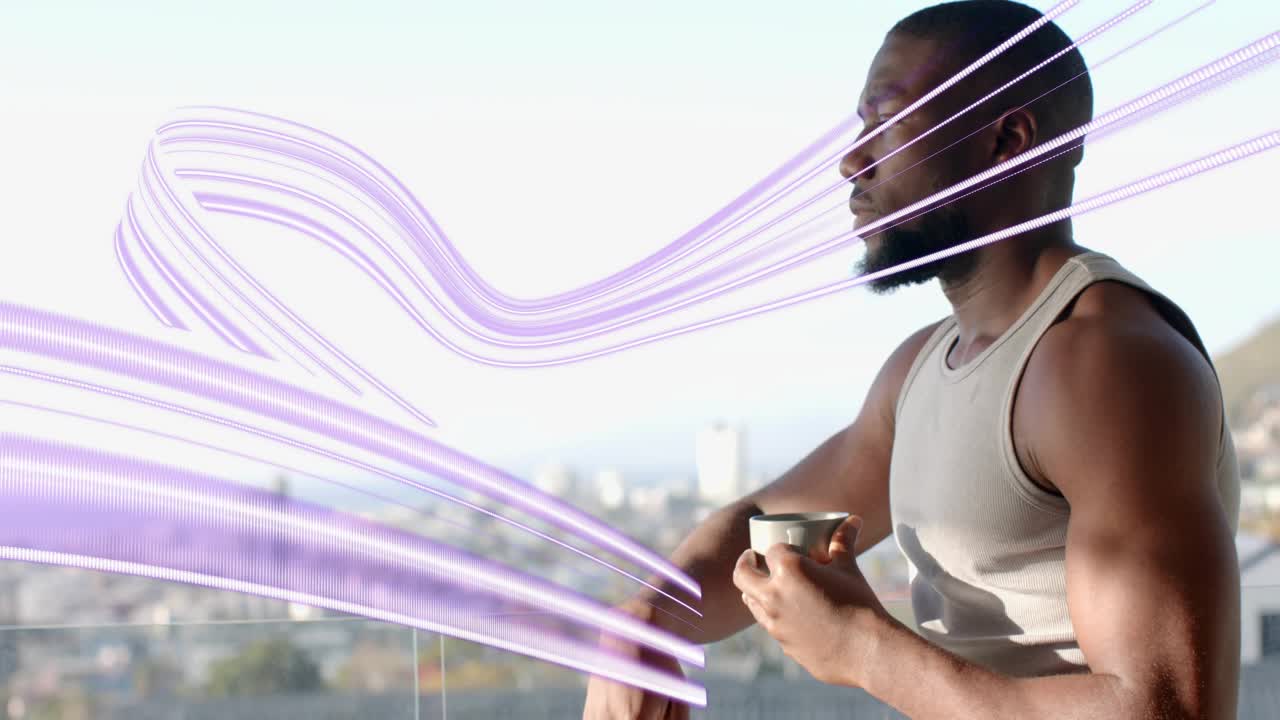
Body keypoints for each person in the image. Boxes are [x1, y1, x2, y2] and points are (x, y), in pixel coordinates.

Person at [582, 1, 1242, 718]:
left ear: (1006, 140)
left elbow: (1169, 708)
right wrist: (646, 620)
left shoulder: (1104, 364)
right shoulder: (922, 368)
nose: (852, 162)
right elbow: (766, 517)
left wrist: (864, 650)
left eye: (889, 124)